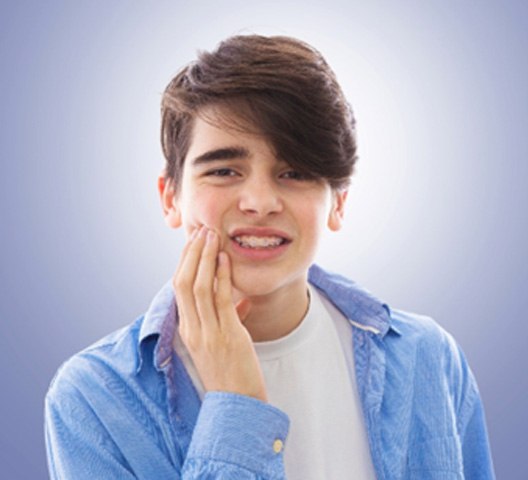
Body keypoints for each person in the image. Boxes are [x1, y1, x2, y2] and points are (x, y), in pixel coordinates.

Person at [44, 34, 495, 479]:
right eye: (223, 170)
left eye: (294, 172)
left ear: (337, 202)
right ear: (170, 198)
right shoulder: (93, 399)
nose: (260, 201)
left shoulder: (428, 357)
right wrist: (236, 406)